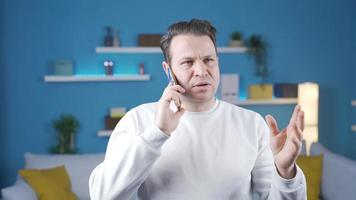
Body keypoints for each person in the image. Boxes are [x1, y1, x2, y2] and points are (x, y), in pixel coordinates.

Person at [89, 19, 307, 200]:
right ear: (168, 70)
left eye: (208, 60)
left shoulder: (252, 123)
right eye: (187, 62)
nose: (201, 71)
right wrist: (157, 132)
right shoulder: (138, 120)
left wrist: (286, 172)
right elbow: (103, 195)